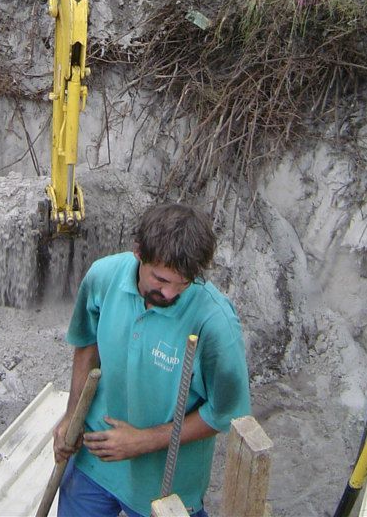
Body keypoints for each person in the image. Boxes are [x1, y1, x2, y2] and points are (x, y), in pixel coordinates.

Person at [54, 203, 251, 517]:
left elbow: (224, 413)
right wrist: (71, 416)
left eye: (182, 283)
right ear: (138, 253)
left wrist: (143, 441)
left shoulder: (214, 323)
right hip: (95, 460)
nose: (170, 293)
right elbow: (87, 345)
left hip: (165, 485)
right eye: (160, 279)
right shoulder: (103, 278)